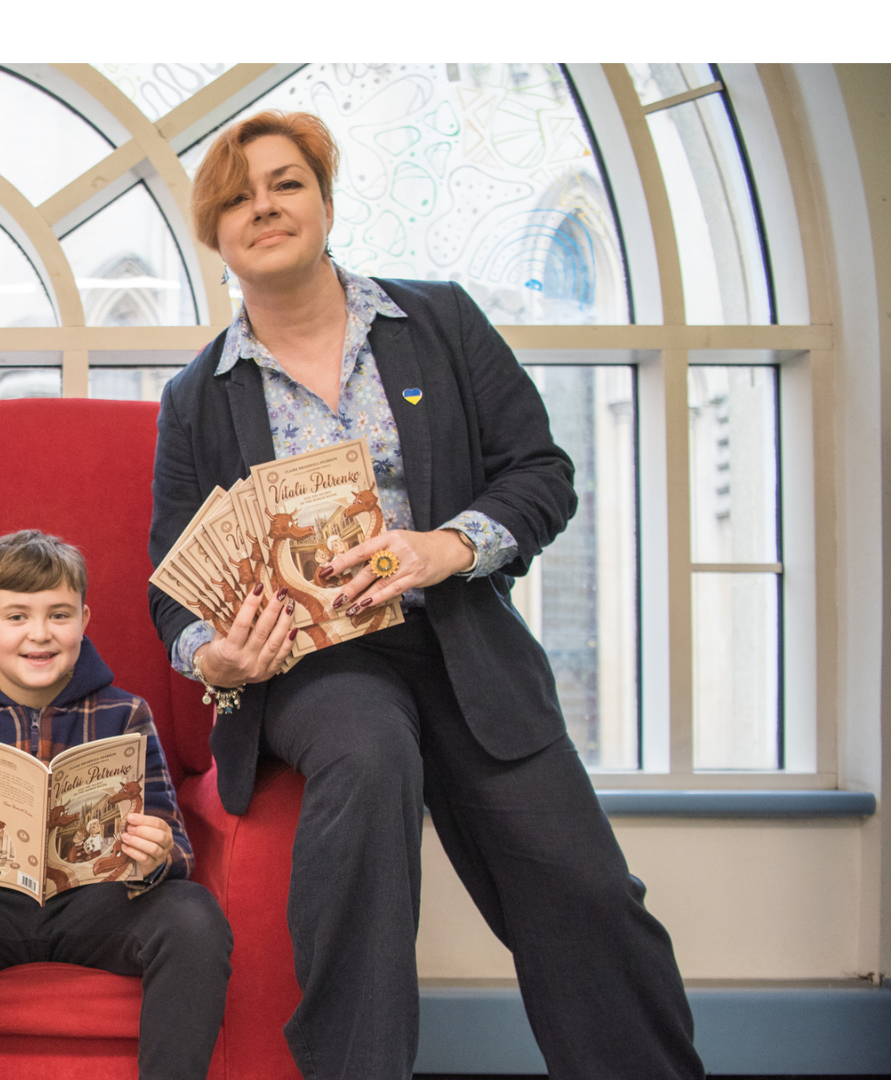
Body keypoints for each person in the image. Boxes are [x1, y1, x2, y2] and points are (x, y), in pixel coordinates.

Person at [149, 111, 705, 1080]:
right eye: (237, 197)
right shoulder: (199, 397)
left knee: (588, 895)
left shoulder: (440, 323)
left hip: (466, 643)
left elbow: (541, 474)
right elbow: (171, 590)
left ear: (325, 199)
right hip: (322, 671)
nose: (264, 206)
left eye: (284, 183)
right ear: (216, 235)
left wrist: (445, 547)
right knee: (365, 757)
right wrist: (217, 656)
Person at [0, 530, 231, 1080]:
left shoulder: (127, 714)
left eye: (59, 615)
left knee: (194, 916)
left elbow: (176, 846)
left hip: (93, 906)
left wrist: (158, 854)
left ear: (84, 619)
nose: (39, 634)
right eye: (16, 617)